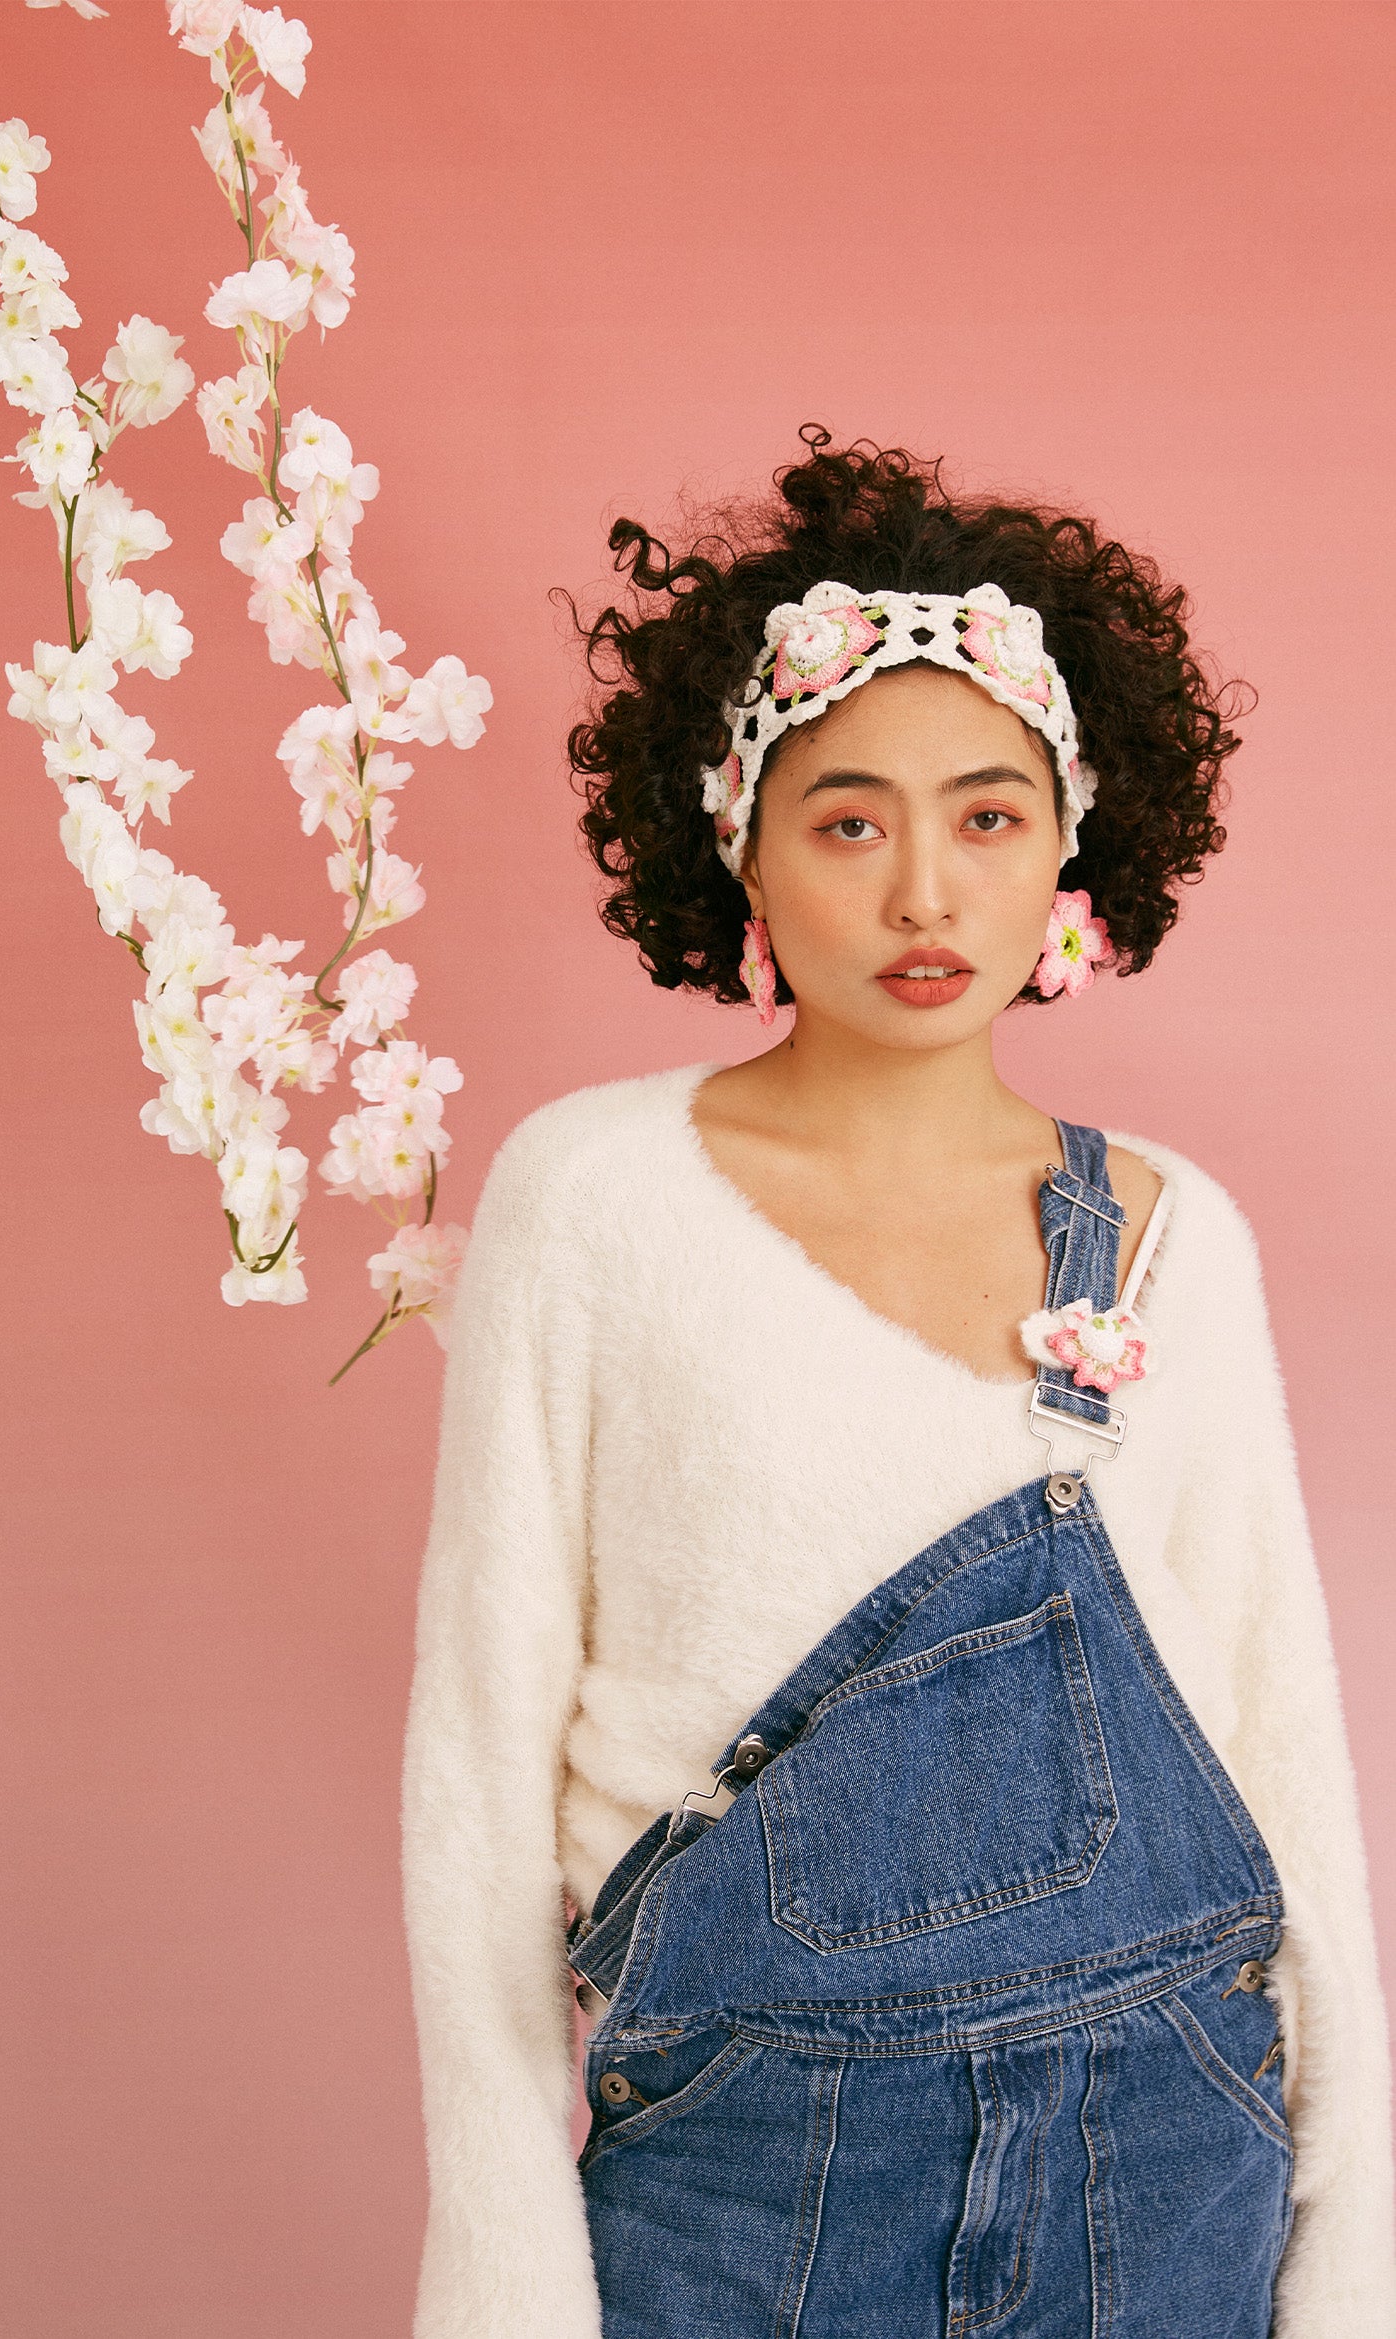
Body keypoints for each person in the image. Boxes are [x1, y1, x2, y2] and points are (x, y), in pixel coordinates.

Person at [398, 435, 1394, 2337]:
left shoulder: (1177, 1238)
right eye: (849, 820)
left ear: (1073, 843)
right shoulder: (593, 1194)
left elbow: (1282, 1750)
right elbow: (478, 1757)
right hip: (741, 2162)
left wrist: (1352, 2256)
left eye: (988, 816)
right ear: (739, 846)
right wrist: (504, 2275)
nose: (924, 888)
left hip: (1166, 2156)